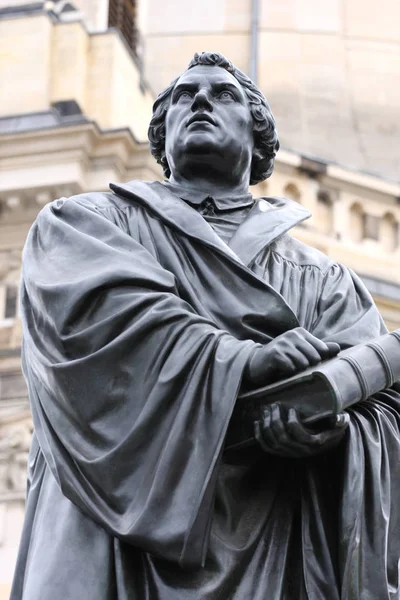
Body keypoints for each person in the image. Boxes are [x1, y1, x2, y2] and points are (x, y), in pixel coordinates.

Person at [11, 52, 400, 599]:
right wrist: (241, 360)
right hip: (111, 546)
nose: (198, 101)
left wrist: (331, 433)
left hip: (274, 540)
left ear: (258, 135)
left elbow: (383, 409)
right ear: (163, 136)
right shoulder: (84, 223)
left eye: (223, 95)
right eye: (182, 97)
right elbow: (99, 325)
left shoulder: (326, 279)